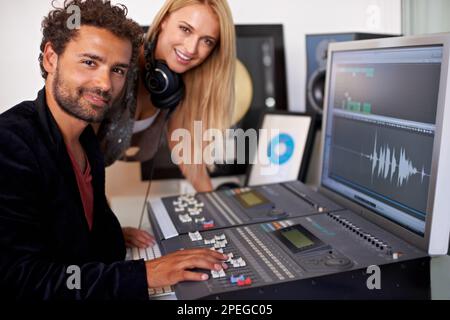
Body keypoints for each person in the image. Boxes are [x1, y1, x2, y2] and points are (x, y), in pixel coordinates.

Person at [0, 0, 228, 300]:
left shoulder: (87, 144)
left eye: (118, 69)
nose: (105, 83)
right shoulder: (11, 144)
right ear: (51, 58)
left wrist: (105, 235)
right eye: (90, 62)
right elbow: (22, 280)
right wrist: (146, 274)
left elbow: (71, 239)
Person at [97, 0, 236, 193]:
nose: (191, 48)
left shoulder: (175, 85)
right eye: (185, 29)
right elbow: (75, 153)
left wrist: (216, 207)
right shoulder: (120, 60)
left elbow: (187, 155)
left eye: (207, 41)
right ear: (164, 20)